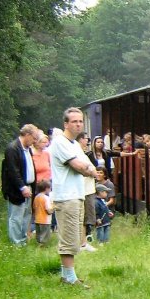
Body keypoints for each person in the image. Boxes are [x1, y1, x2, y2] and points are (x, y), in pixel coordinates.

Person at [50, 108, 99, 287]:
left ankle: (67, 276)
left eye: (80, 121)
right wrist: (91, 171)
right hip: (66, 196)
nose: (78, 124)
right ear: (66, 124)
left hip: (76, 195)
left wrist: (90, 169)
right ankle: (70, 279)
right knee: (69, 239)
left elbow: (88, 164)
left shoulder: (73, 144)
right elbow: (80, 166)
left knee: (74, 238)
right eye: (74, 121)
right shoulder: (60, 143)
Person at [1, 124, 40, 246]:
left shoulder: (27, 149)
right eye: (34, 138)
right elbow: (13, 171)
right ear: (27, 135)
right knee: (16, 216)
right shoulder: (12, 148)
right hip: (17, 189)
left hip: (28, 187)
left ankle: (23, 240)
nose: (35, 141)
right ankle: (16, 243)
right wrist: (22, 187)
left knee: (26, 216)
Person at [78, 133, 97, 252]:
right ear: (80, 140)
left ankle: (83, 242)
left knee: (85, 218)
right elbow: (86, 168)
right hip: (84, 189)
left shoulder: (82, 153)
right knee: (83, 218)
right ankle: (82, 243)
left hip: (88, 188)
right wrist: (93, 172)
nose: (88, 142)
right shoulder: (77, 152)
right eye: (86, 140)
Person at [32, 179, 53, 245]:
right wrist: (54, 208)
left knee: (39, 235)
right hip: (45, 220)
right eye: (50, 188)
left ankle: (38, 244)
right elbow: (48, 210)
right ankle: (42, 247)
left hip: (37, 219)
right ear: (46, 189)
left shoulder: (36, 197)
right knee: (45, 235)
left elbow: (34, 207)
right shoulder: (46, 198)